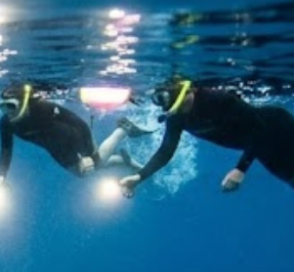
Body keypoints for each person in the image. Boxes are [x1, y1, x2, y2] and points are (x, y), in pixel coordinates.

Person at [119, 79, 294, 197]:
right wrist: (140, 177)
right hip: (260, 144)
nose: (176, 109)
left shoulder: (216, 98)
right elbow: (166, 151)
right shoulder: (177, 117)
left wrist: (240, 169)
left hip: (278, 126)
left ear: (186, 90)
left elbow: (258, 128)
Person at [0, 82, 150, 185]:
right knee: (84, 173)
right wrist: (2, 176)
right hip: (56, 150)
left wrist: (85, 156)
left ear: (23, 104)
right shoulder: (6, 123)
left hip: (76, 137)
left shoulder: (43, 109)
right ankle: (124, 161)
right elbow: (6, 149)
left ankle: (122, 130)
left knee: (96, 164)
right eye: (2, 107)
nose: (7, 111)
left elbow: (78, 123)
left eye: (10, 106)